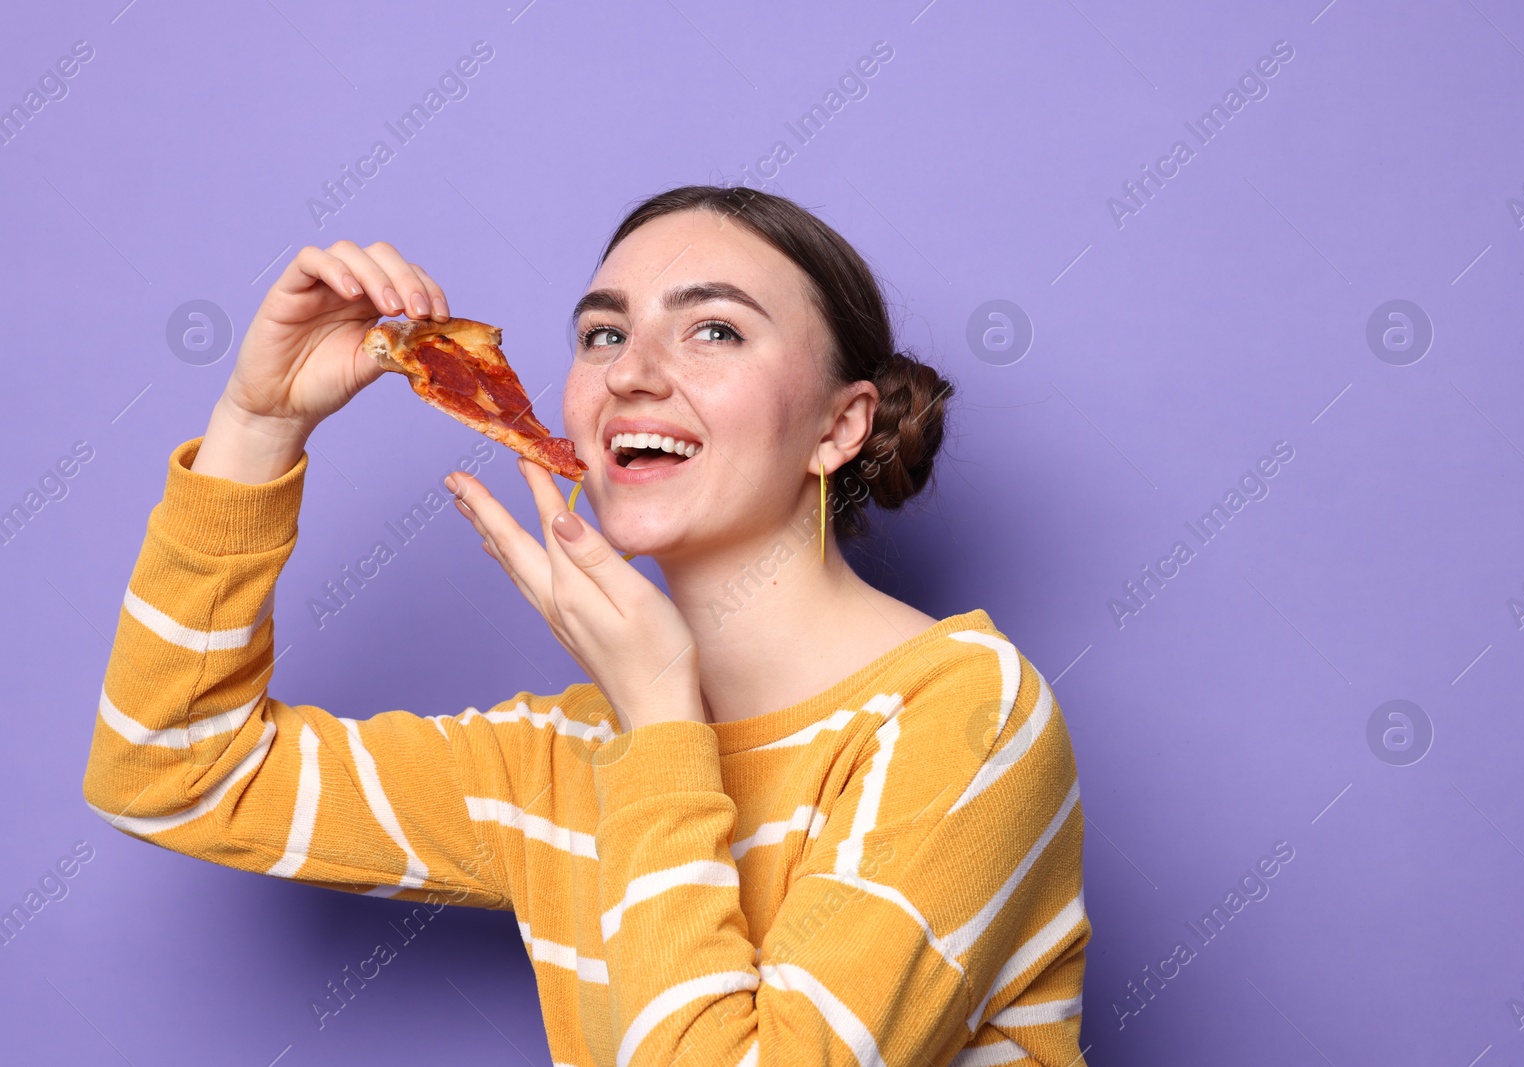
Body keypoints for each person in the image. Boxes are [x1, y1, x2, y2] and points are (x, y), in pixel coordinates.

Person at [82, 185, 1090, 1065]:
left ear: (838, 426)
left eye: (715, 330)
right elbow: (172, 770)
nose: (629, 372)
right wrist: (258, 425)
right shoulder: (562, 754)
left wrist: (658, 718)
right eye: (603, 332)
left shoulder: (966, 713)